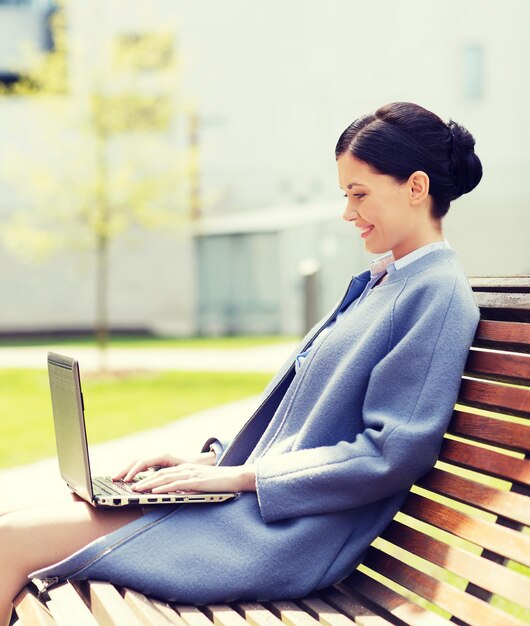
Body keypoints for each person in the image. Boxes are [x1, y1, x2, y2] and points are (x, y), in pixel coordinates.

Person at [0, 102, 483, 625]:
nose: (348, 213)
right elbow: (305, 429)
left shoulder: (437, 296)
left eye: (359, 194)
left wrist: (239, 479)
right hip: (250, 510)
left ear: (416, 187)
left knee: (9, 542)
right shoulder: (386, 283)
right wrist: (209, 465)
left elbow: (390, 453)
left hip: (276, 534)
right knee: (12, 525)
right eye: (346, 195)